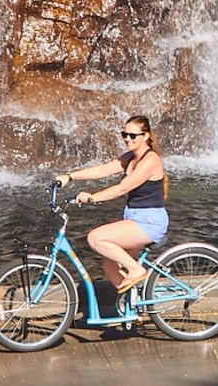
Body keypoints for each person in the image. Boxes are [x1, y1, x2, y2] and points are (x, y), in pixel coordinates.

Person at [56, 115, 169, 293]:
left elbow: (122, 189)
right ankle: (134, 308)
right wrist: (69, 177)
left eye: (133, 136)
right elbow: (102, 170)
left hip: (149, 222)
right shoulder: (130, 157)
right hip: (134, 219)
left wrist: (92, 197)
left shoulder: (150, 160)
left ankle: (136, 270)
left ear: (146, 136)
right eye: (124, 134)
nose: (127, 139)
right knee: (109, 266)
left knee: (95, 238)